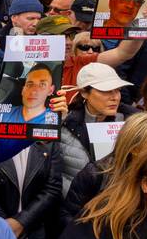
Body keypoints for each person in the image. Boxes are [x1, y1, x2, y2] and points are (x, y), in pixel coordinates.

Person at [57, 62, 136, 197]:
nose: (115, 97)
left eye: (118, 90)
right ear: (84, 93)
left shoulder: (133, 122)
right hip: (72, 208)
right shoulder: (64, 123)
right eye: (106, 90)